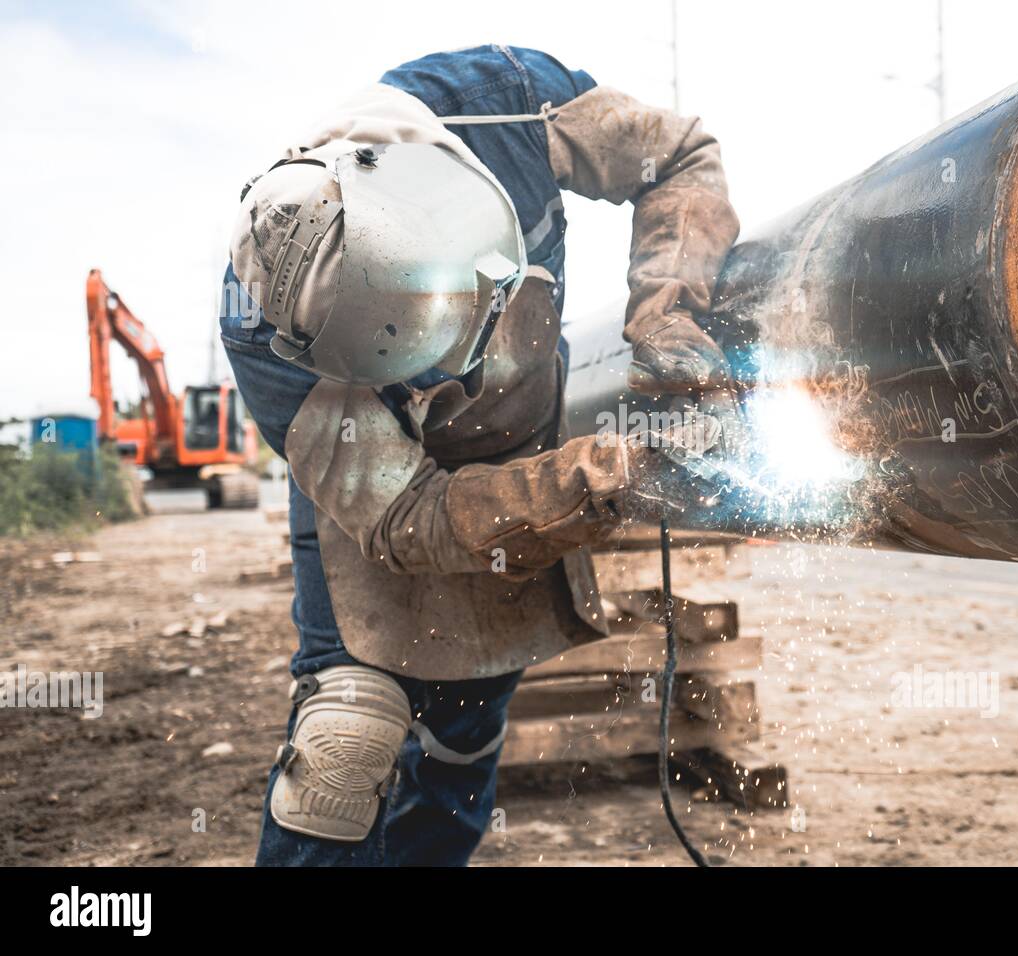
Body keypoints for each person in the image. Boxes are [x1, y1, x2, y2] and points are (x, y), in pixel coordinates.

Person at [219, 44, 739, 865]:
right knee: (345, 739)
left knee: (465, 715)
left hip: (513, 435)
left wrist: (668, 313)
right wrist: (589, 482)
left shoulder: (507, 103)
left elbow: (677, 156)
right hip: (392, 474)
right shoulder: (263, 333)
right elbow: (406, 515)